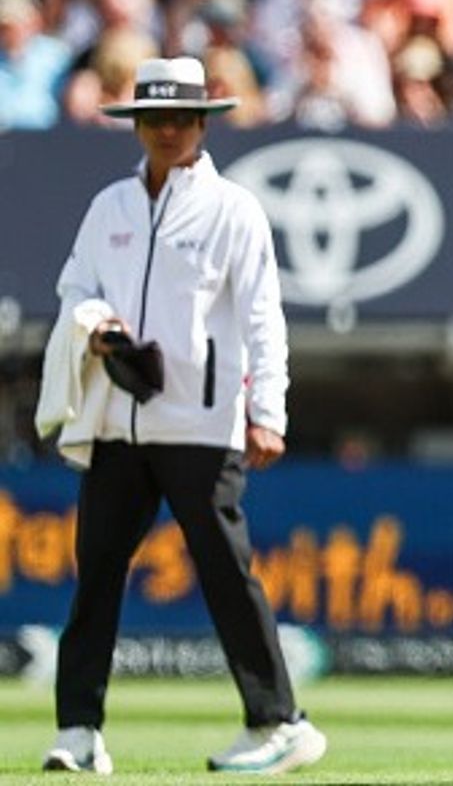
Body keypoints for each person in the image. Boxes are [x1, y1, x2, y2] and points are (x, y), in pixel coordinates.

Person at [34, 56, 327, 775]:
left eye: (180, 118)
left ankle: (280, 721)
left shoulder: (233, 209)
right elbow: (75, 287)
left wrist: (268, 410)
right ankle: (79, 730)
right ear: (136, 125)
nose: (167, 130)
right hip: (119, 419)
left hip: (202, 422)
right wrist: (99, 327)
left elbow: (263, 319)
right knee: (96, 574)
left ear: (202, 123)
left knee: (226, 572)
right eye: (154, 119)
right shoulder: (110, 207)